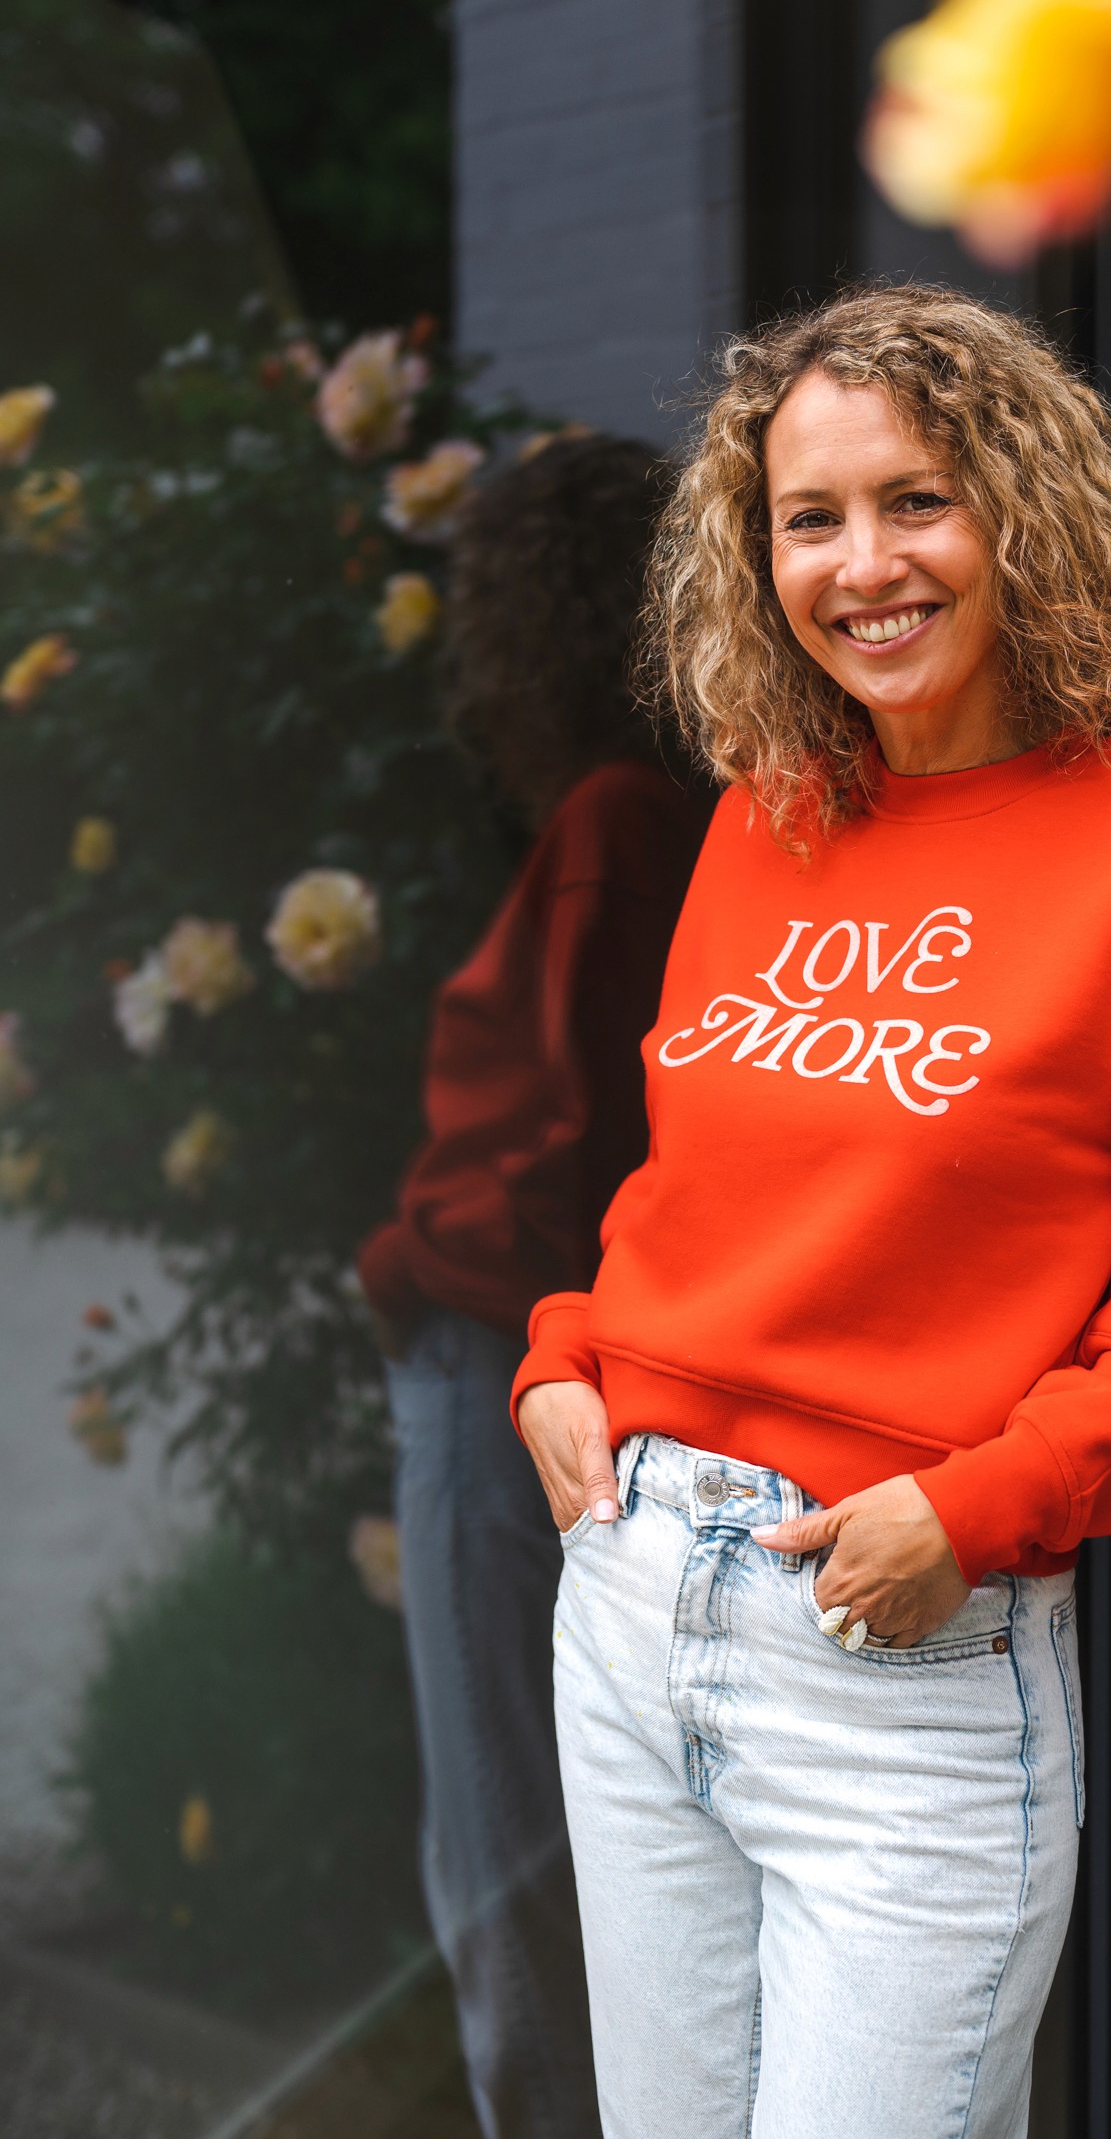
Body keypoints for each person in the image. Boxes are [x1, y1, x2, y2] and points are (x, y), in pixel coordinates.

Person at [512, 287, 1111, 2139]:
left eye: (915, 501)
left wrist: (971, 1512)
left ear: (1022, 512)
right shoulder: (766, 816)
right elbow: (687, 1182)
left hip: (898, 1642)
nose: (863, 566)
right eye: (807, 519)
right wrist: (562, 1359)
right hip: (635, 1588)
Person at [358, 433, 711, 2139]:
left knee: (506, 1864)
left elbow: (575, 1155)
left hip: (509, 1371)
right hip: (528, 1367)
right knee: (530, 1849)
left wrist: (406, 1266)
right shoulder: (639, 818)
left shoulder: (613, 824)